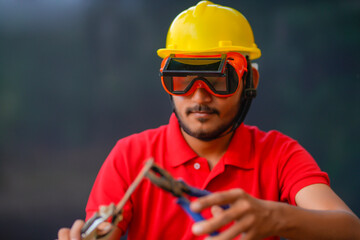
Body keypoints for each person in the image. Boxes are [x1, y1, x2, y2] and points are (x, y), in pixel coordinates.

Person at [58, 1, 360, 240]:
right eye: (183, 79)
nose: (199, 97)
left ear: (250, 81)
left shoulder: (280, 155)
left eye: (218, 79)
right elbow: (103, 230)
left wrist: (275, 217)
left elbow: (349, 228)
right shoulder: (130, 156)